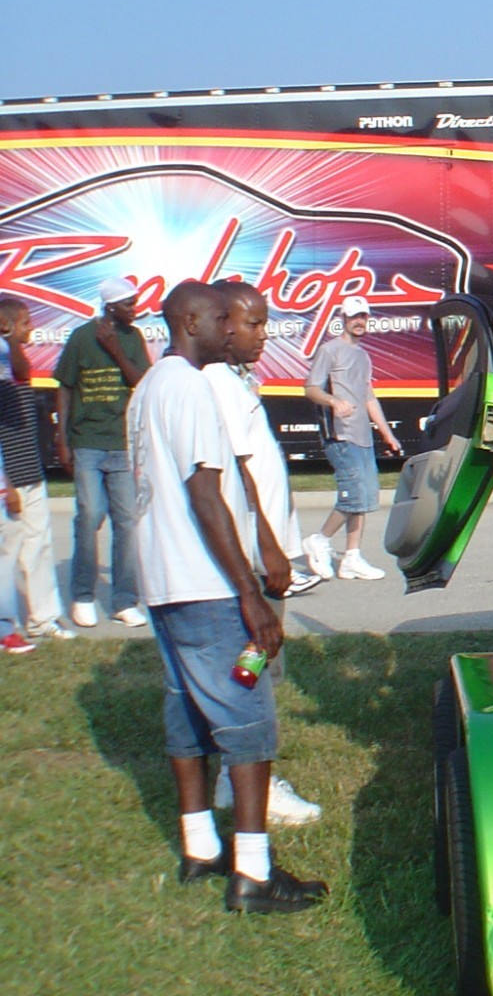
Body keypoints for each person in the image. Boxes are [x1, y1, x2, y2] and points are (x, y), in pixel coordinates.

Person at [128, 280, 327, 912]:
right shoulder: (189, 386)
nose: (231, 327)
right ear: (191, 322)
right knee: (248, 719)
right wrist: (249, 593)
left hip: (166, 582)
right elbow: (205, 491)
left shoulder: (149, 387)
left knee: (187, 712)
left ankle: (199, 847)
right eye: (221, 317)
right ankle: (253, 873)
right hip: (206, 585)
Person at [204, 282, 322, 827]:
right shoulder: (217, 383)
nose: (263, 335)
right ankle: (248, 780)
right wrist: (270, 547)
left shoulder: (234, 379)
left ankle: (233, 776)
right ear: (223, 325)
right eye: (253, 324)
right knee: (252, 670)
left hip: (262, 555)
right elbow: (238, 468)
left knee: (257, 667)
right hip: (255, 558)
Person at [53, 275, 151, 628]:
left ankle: (124, 601)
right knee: (90, 515)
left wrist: (115, 350)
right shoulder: (81, 337)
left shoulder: (132, 338)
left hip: (122, 444)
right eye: (128, 304)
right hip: (87, 442)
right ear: (110, 307)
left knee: (127, 522)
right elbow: (65, 387)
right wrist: (62, 438)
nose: (135, 309)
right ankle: (83, 595)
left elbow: (141, 382)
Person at [302, 296, 403, 580]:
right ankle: (319, 540)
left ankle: (351, 558)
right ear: (343, 319)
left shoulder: (363, 356)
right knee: (354, 496)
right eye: (354, 316)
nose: (359, 321)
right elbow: (310, 388)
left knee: (366, 497)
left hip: (362, 436)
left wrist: (387, 434)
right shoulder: (330, 350)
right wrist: (334, 401)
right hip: (340, 434)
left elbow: (369, 397)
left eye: (363, 316)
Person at [0, 297, 68, 648]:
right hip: (10, 476)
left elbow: (22, 372)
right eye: (25, 323)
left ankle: (43, 619)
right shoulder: (5, 362)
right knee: (7, 555)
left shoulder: (15, 361)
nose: (32, 328)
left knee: (39, 545)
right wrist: (6, 484)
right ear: (6, 326)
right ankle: (5, 626)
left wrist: (12, 340)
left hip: (30, 471)